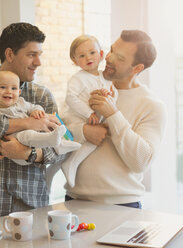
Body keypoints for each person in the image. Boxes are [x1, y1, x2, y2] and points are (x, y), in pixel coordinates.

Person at [0, 22, 66, 224]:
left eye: (40, 54)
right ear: (10, 54)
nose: (38, 62)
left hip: (33, 206)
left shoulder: (42, 95)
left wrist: (28, 153)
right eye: (32, 54)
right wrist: (26, 123)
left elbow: (60, 147)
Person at [65, 30, 167, 209]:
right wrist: (82, 131)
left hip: (122, 205)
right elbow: (61, 126)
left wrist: (113, 114)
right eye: (111, 50)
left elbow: (141, 162)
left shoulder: (151, 105)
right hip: (74, 201)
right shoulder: (85, 84)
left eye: (119, 57)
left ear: (137, 68)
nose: (109, 58)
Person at [0, 70, 80, 165]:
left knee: (41, 131)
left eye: (13, 88)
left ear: (19, 92)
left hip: (33, 148)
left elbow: (35, 106)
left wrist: (36, 111)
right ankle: (51, 139)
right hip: (15, 152)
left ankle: (60, 145)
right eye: (3, 87)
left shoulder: (21, 103)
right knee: (26, 134)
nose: (9, 91)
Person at [61, 35, 118, 187]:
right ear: (75, 61)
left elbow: (113, 94)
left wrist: (110, 95)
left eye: (92, 53)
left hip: (93, 121)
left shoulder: (105, 77)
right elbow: (70, 98)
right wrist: (88, 113)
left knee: (95, 139)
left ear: (101, 55)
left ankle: (71, 163)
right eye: (82, 55)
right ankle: (70, 164)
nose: (88, 58)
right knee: (87, 140)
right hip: (77, 119)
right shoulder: (78, 78)